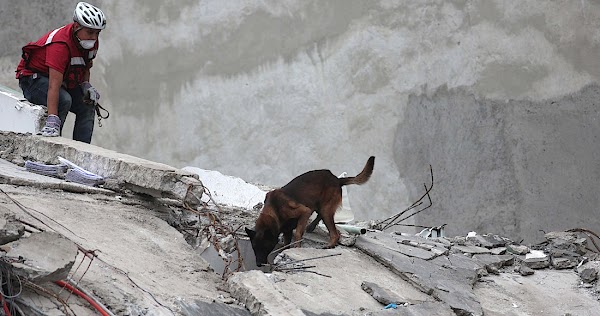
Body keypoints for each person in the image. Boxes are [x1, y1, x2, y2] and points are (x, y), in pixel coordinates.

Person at [15, 2, 106, 144]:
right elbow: (53, 86)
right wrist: (52, 118)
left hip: (61, 81)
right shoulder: (60, 45)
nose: (94, 37)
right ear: (77, 26)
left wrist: (86, 86)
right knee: (64, 100)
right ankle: (54, 145)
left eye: (97, 33)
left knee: (88, 104)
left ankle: (82, 152)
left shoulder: (91, 43)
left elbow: (86, 67)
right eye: (90, 32)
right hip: (33, 81)